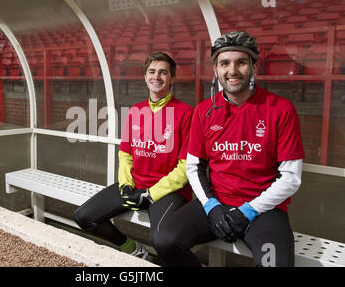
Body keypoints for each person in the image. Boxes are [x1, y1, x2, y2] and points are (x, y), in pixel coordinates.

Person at [153, 31, 305, 267]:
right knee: (164, 241)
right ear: (215, 70)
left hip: (264, 210)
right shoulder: (203, 111)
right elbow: (194, 167)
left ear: (254, 66)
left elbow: (291, 178)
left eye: (241, 62)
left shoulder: (281, 109)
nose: (232, 71)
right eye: (224, 63)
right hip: (217, 203)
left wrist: (248, 211)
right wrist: (212, 207)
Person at [73, 52, 193, 259]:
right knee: (84, 217)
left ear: (172, 78)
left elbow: (185, 167)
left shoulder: (186, 113)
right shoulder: (135, 111)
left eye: (163, 72)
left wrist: (151, 193)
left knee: (162, 241)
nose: (157, 77)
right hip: (136, 185)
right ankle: (133, 250)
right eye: (152, 72)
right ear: (145, 77)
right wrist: (126, 184)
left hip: (168, 192)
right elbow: (126, 154)